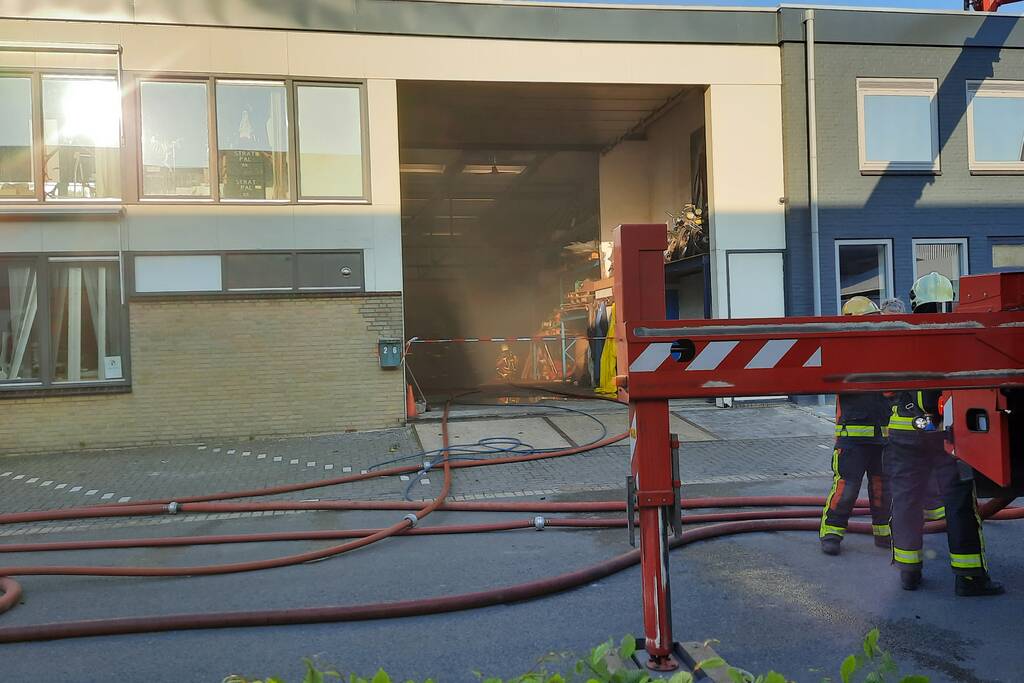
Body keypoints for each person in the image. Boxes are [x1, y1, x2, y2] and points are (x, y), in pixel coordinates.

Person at [885, 272, 1003, 596]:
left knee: (907, 501)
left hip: (905, 434)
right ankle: (969, 578)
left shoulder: (900, 337)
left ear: (914, 301)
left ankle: (909, 571)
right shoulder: (960, 333)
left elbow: (886, 389)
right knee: (959, 504)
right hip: (948, 436)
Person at [820, 296, 892, 555]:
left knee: (883, 487)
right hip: (852, 438)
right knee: (846, 488)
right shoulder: (842, 353)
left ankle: (884, 534)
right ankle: (831, 533)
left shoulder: (884, 350)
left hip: (883, 436)